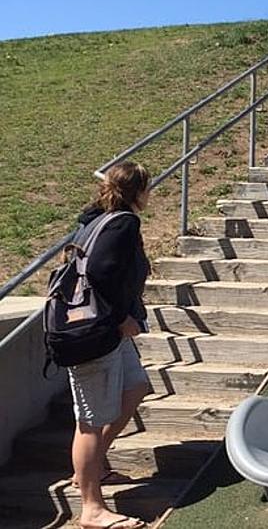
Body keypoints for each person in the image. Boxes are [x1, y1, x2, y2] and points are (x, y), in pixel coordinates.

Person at [68, 161, 152, 529]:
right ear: (138, 191)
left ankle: (90, 467)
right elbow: (99, 273)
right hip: (97, 332)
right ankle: (91, 507)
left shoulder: (96, 218)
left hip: (105, 330)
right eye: (148, 187)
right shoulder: (122, 223)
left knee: (135, 387)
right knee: (90, 420)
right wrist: (121, 319)